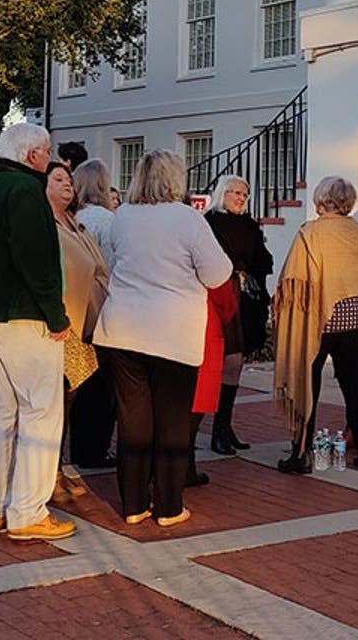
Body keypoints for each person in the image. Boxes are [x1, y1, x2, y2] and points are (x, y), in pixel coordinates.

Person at [92, 150, 232, 524]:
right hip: (172, 332)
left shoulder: (122, 216)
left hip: (122, 328)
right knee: (172, 422)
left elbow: (112, 262)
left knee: (132, 421)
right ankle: (168, 506)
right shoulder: (188, 219)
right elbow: (218, 273)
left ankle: (134, 504)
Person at [0, 124, 78, 541]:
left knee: (4, 413)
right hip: (25, 313)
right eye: (47, 151)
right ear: (33, 155)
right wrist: (56, 316)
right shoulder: (26, 190)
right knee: (41, 413)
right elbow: (36, 259)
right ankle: (28, 511)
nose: (50, 158)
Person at [273, 176, 358, 472]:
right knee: (356, 385)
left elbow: (295, 277)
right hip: (356, 316)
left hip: (319, 318)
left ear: (321, 199)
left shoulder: (311, 232)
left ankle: (301, 452)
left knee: (307, 382)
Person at [45, 160, 107, 503]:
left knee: (69, 400)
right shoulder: (47, 224)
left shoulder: (74, 222)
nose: (67, 184)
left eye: (69, 179)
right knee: (57, 400)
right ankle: (48, 474)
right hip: (64, 322)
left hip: (87, 321)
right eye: (58, 179)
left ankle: (56, 467)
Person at [202, 174, 271, 455]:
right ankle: (216, 430)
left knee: (236, 361)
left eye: (245, 194)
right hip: (217, 296)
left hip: (243, 299)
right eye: (236, 193)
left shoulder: (250, 225)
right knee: (226, 360)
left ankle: (224, 425)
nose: (241, 198)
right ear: (223, 193)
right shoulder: (209, 222)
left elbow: (263, 260)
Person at [66, 158, 119, 468]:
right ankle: (94, 449)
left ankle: (78, 447)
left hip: (75, 308)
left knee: (78, 380)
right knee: (101, 384)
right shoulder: (108, 221)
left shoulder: (71, 219)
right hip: (102, 307)